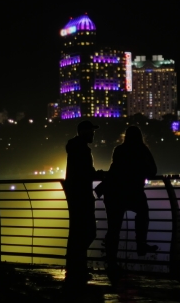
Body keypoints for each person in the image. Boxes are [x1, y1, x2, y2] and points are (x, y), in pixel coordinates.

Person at [103, 126, 158, 278]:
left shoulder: (119, 150)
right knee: (143, 213)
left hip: (114, 192)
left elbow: (115, 169)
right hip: (133, 191)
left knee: (114, 229)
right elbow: (153, 170)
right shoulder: (143, 150)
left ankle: (111, 263)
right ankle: (141, 244)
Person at [62, 120, 102, 286]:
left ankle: (75, 265)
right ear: (84, 132)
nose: (93, 134)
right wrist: (99, 174)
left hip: (75, 194)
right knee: (88, 231)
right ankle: (76, 263)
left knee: (77, 231)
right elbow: (86, 172)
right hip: (82, 195)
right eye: (92, 131)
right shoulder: (82, 150)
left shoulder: (74, 148)